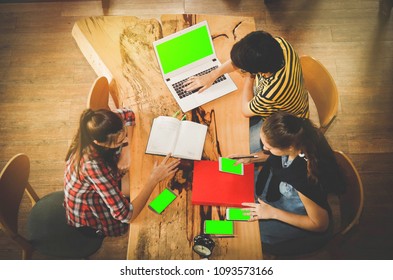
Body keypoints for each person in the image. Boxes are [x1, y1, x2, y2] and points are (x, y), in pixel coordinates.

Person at [234, 111, 345, 256]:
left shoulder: (304, 179)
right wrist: (251, 158)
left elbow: (320, 224)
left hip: (292, 215)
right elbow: (273, 155)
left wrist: (272, 213)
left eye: (268, 147)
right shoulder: (298, 138)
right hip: (277, 190)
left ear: (289, 148)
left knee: (245, 232)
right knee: (238, 193)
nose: (264, 150)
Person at [185, 30, 309, 154]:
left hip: (284, 123)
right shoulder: (280, 44)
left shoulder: (271, 92)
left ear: (257, 71)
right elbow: (240, 60)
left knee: (230, 147)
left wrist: (249, 78)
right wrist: (212, 75)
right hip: (290, 99)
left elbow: (246, 110)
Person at [64, 108, 180, 238]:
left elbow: (129, 114)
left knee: (141, 182)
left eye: (124, 133)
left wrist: (128, 148)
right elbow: (126, 216)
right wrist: (153, 179)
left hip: (104, 183)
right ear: (99, 143)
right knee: (149, 209)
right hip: (90, 214)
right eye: (119, 142)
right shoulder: (92, 166)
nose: (124, 139)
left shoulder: (105, 123)